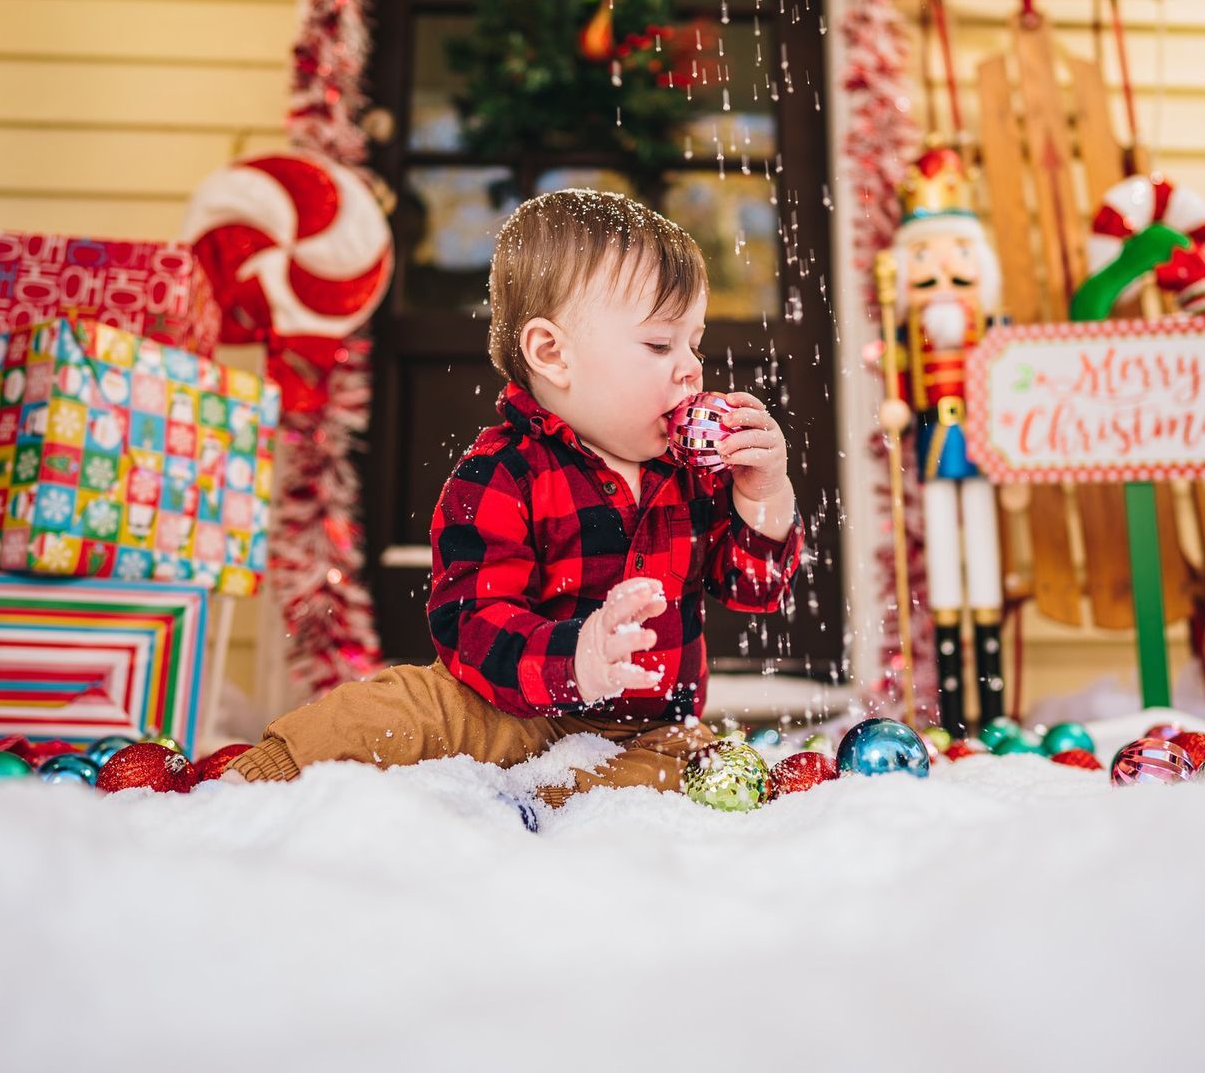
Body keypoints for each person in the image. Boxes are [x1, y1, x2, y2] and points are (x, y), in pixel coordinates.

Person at [224, 189, 803, 809]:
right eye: (660, 345)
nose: (690, 368)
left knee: (690, 778)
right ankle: (254, 780)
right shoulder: (500, 472)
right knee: (400, 708)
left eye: (695, 342)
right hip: (508, 709)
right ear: (553, 354)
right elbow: (470, 624)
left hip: (646, 733)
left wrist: (764, 491)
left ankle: (530, 800)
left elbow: (754, 587)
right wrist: (574, 660)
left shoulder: (690, 472)